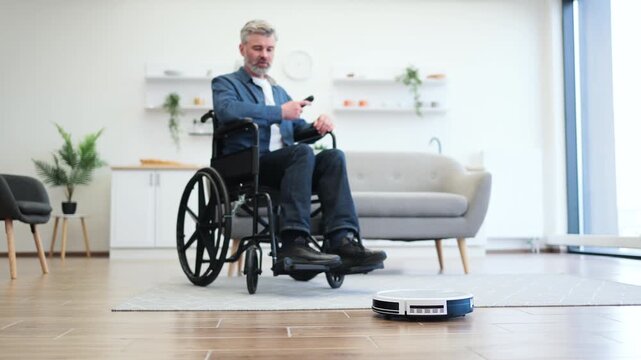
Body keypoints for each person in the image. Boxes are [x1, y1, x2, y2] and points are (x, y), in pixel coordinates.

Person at [212, 19, 386, 269]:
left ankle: (342, 240)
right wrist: (280, 112)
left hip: (288, 164)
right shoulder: (225, 83)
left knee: (333, 156)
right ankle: (294, 241)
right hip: (248, 164)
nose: (264, 55)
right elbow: (228, 110)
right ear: (242, 50)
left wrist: (316, 128)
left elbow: (295, 130)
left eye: (269, 49)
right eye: (257, 48)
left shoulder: (279, 91)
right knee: (301, 153)